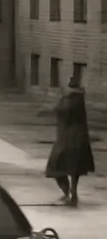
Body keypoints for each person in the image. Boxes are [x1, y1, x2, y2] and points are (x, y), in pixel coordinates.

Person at [45, 75, 96, 207]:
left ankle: (68, 194)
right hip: (78, 139)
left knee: (55, 166)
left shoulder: (71, 99)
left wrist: (50, 110)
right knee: (74, 169)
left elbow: (63, 111)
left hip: (68, 139)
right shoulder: (77, 98)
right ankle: (72, 194)